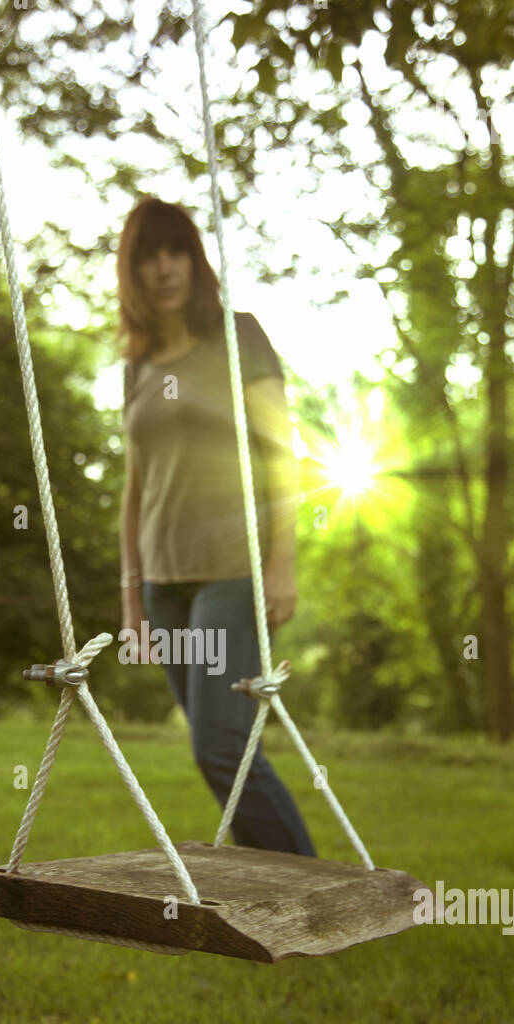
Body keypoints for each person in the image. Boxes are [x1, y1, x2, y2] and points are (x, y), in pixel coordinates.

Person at [117, 196, 316, 857]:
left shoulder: (240, 337)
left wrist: (282, 563)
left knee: (221, 749)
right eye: (149, 256)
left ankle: (310, 893)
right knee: (223, 752)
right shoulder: (138, 365)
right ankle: (277, 890)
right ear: (134, 272)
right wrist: (131, 597)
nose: (164, 268)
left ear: (195, 262)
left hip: (233, 570)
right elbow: (134, 486)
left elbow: (283, 450)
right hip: (163, 586)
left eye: (176, 252)